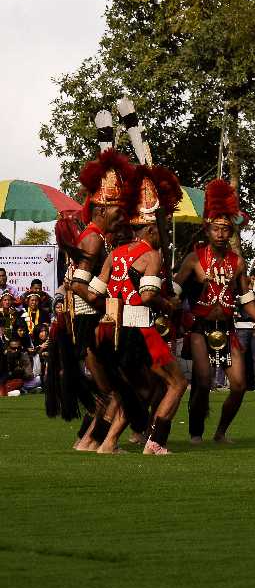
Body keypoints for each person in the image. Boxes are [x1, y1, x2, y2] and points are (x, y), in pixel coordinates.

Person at [95, 163, 188, 454]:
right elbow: (148, 295)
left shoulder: (115, 254)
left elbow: (96, 292)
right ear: (150, 227)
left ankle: (107, 443)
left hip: (111, 331)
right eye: (159, 227)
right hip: (140, 330)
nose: (162, 233)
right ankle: (156, 442)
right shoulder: (151, 255)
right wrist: (167, 303)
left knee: (140, 390)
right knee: (177, 383)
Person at [175, 178, 255, 444]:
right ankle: (195, 433)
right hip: (200, 329)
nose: (222, 234)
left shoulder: (238, 262)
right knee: (202, 381)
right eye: (217, 229)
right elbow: (176, 290)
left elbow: (246, 297)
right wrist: (170, 308)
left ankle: (221, 431)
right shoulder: (193, 259)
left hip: (228, 330)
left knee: (239, 385)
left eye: (227, 229)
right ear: (207, 229)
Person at [60, 149, 135, 450]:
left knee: (111, 392)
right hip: (91, 323)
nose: (122, 214)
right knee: (115, 391)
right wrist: (107, 306)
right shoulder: (92, 238)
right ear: (101, 209)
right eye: (117, 209)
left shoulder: (101, 238)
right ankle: (93, 442)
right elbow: (77, 284)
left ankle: (88, 442)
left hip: (92, 321)